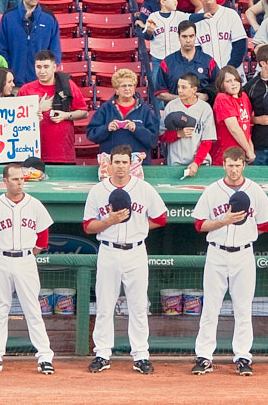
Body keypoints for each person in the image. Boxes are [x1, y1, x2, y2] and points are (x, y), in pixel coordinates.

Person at [84, 143, 167, 372]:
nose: (120, 166)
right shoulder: (98, 191)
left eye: (124, 162)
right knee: (104, 305)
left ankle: (140, 355)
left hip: (136, 251)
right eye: (116, 162)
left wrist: (139, 227)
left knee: (139, 306)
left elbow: (160, 218)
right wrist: (109, 222)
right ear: (108, 165)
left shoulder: (144, 189)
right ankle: (102, 354)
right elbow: (88, 226)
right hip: (109, 250)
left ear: (131, 165)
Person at [192, 146, 268, 375]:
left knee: (243, 308)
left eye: (238, 165)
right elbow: (199, 225)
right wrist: (224, 221)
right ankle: (204, 356)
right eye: (230, 164)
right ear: (224, 164)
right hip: (217, 252)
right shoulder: (212, 191)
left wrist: (243, 233)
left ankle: (243, 357)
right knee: (211, 307)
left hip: (244, 254)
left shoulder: (255, 191)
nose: (234, 169)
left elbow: (264, 225)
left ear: (243, 165)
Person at [0, 159, 56, 373]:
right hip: (1, 260)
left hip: (26, 260)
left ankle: (45, 357)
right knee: (0, 310)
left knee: (33, 310)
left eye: (22, 179)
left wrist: (32, 252)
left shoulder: (34, 204)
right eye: (15, 179)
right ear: (5, 181)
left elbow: (43, 236)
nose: (20, 183)